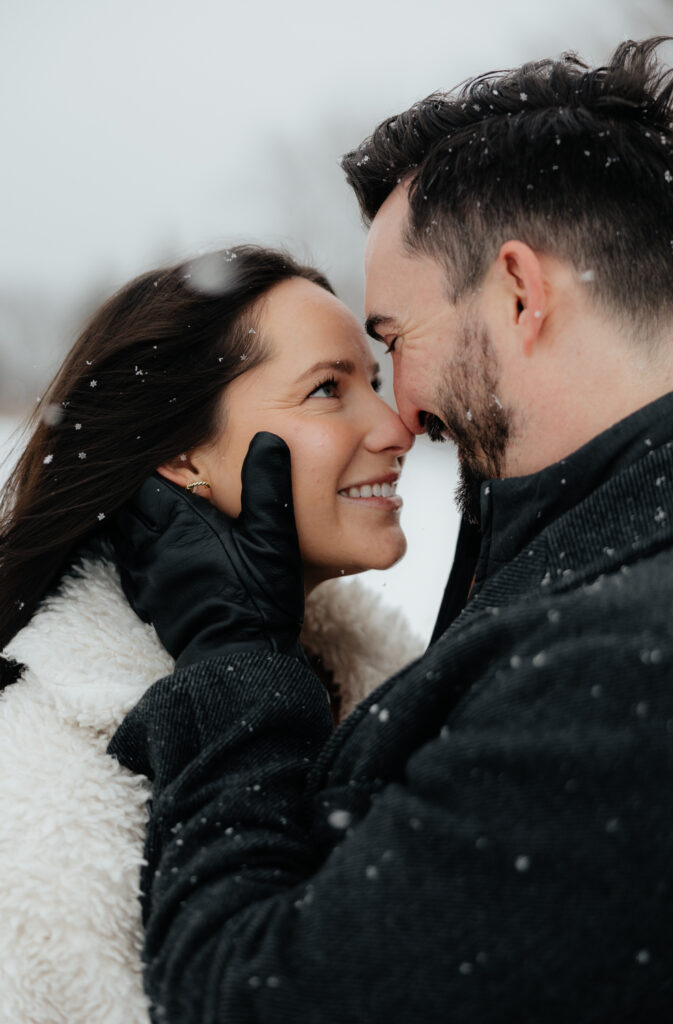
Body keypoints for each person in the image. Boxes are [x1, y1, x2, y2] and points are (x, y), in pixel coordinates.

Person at [101, 37, 673, 1022]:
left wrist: (236, 663)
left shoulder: (624, 662)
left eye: (389, 346)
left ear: (516, 292)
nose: (398, 417)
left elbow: (254, 1000)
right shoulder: (591, 561)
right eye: (336, 384)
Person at [0, 246, 421, 1024]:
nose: (396, 428)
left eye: (377, 381)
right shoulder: (46, 792)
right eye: (327, 389)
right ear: (183, 455)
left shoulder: (388, 681)